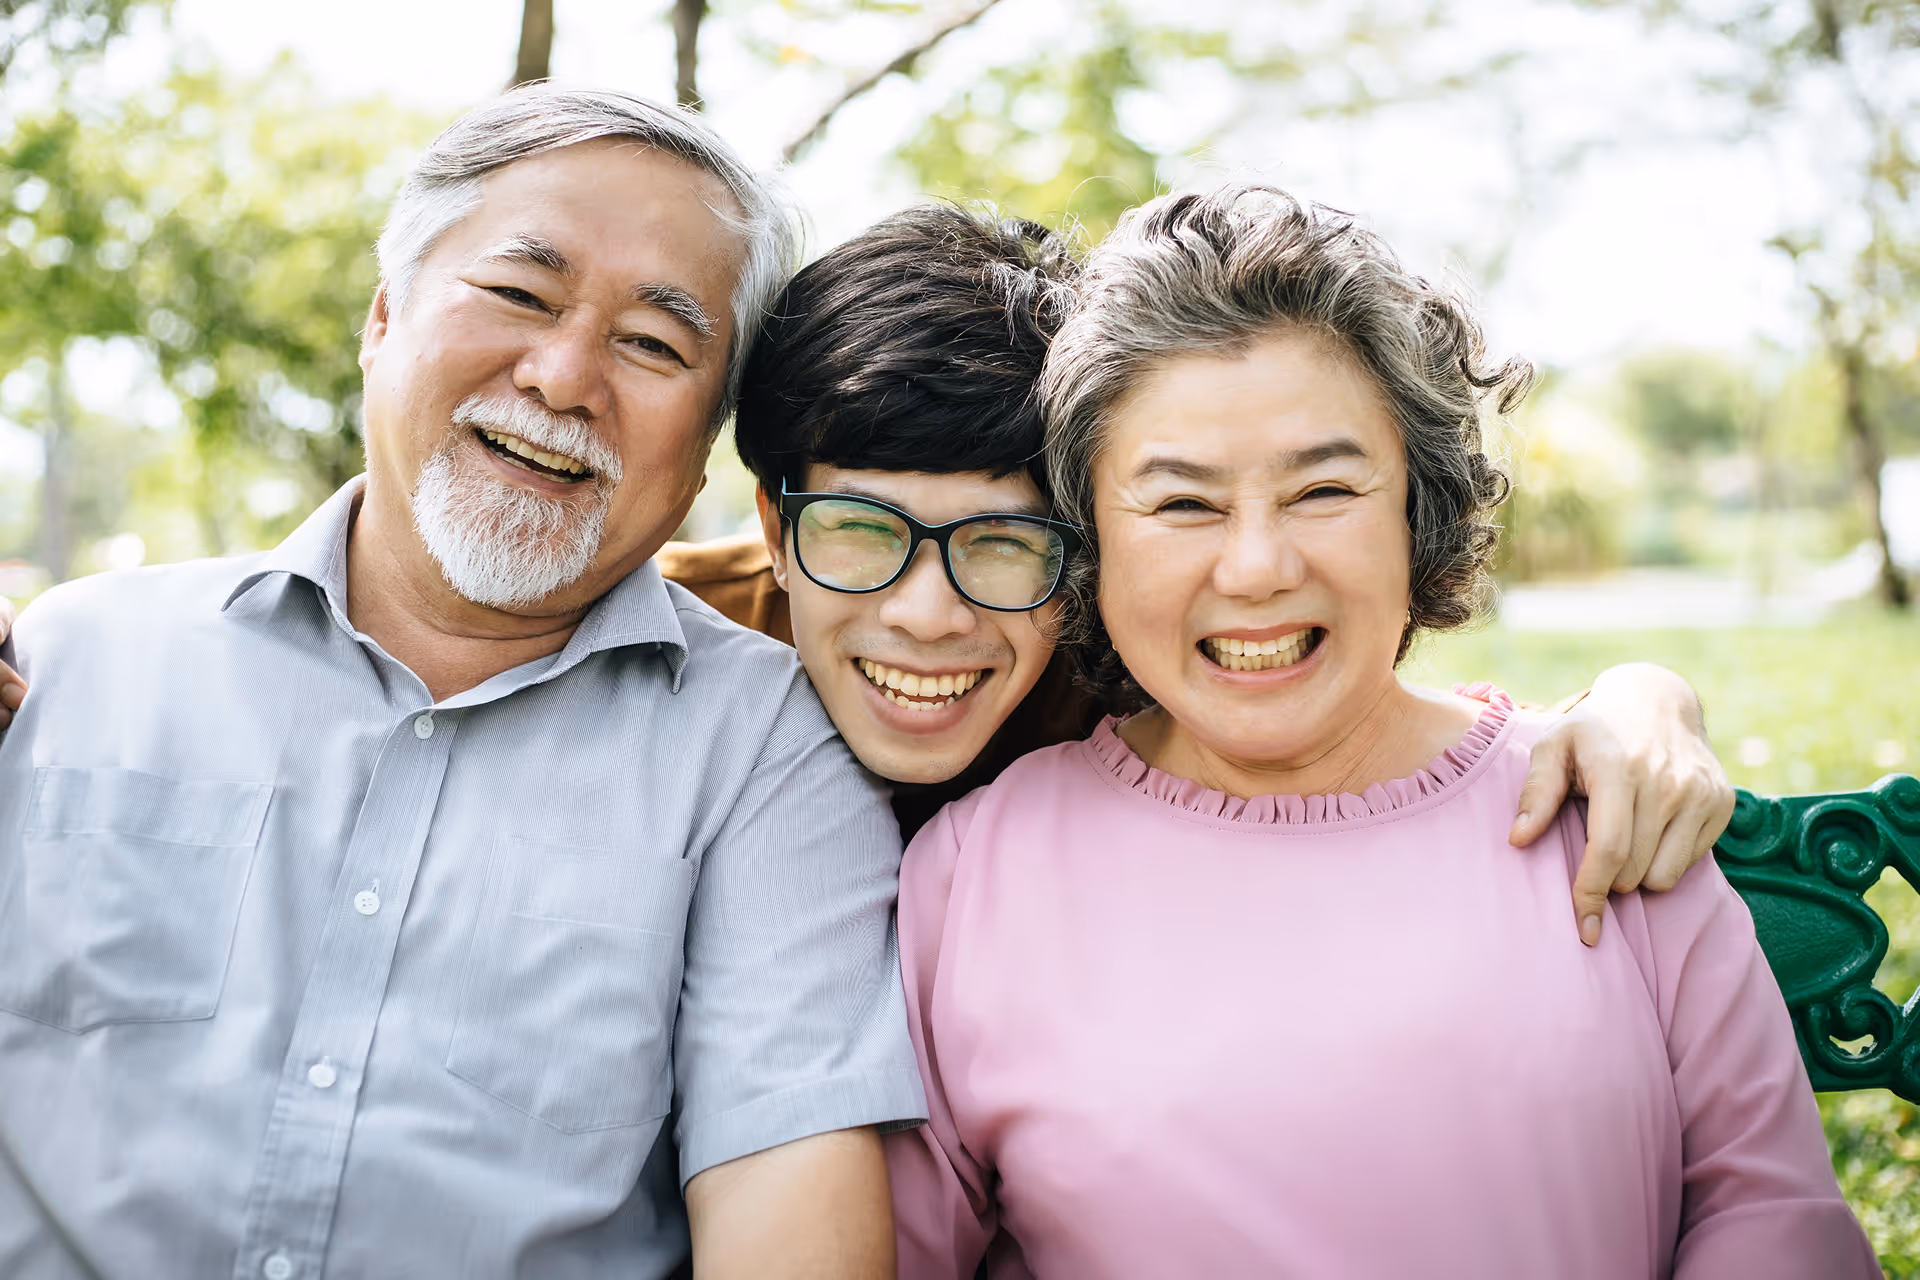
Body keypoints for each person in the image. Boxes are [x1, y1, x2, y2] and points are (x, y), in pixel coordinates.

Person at [0, 88, 925, 1279]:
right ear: (383, 317)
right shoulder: (72, 661)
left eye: (654, 343)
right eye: (519, 293)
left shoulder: (766, 752)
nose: (562, 375)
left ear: (708, 444)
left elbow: (788, 1219)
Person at [884, 184, 1877, 1278]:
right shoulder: (978, 872)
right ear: (1089, 540)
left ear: (1420, 510)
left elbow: (1770, 1213)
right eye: (1182, 504)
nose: (1258, 566)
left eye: (1323, 488)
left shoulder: (1603, 811)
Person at [662, 202, 1735, 929]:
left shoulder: (1119, 675)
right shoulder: (661, 646)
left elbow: (1353, 727)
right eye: (862, 530)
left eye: (1005, 542)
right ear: (773, 519)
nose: (931, 615)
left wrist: (1638, 697)